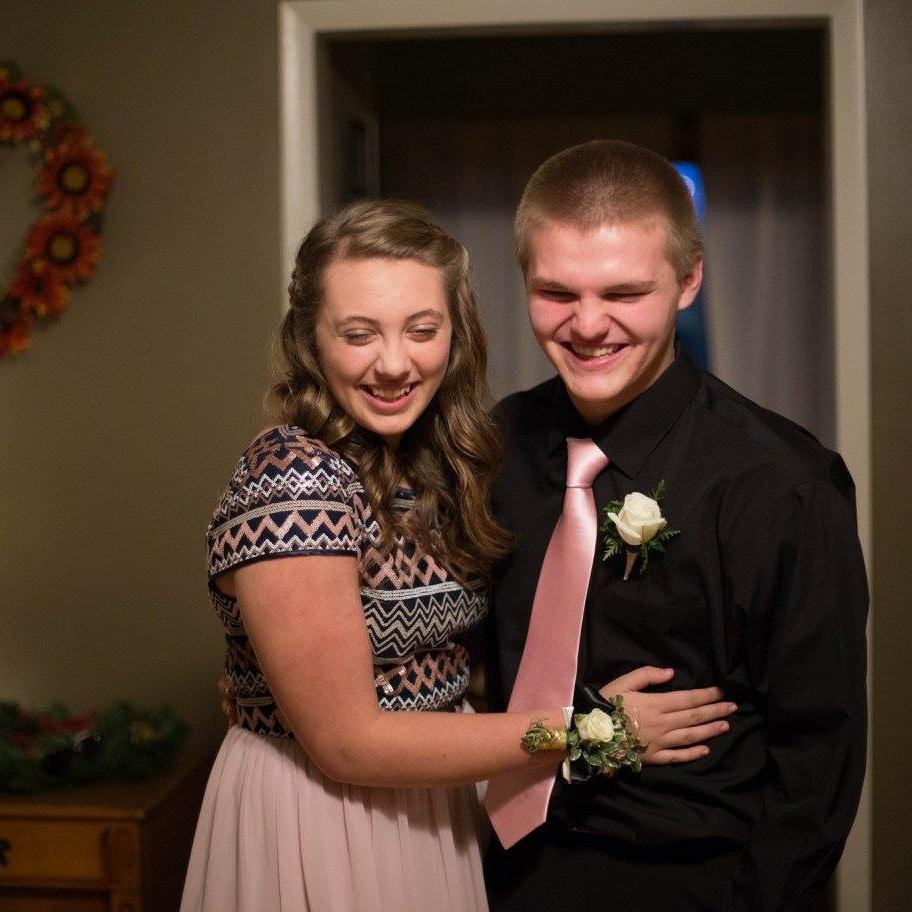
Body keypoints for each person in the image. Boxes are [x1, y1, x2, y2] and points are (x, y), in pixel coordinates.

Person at [179, 199, 736, 912]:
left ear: (456, 334)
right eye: (358, 334)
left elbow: (446, 664)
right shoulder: (292, 474)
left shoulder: (438, 463)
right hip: (320, 811)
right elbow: (347, 742)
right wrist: (590, 732)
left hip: (428, 808)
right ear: (310, 341)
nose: (393, 364)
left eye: (422, 330)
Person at [482, 140, 869, 911]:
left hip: (693, 881)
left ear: (689, 280)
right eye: (557, 292)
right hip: (486, 873)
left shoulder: (781, 484)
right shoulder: (491, 449)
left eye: (623, 292)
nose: (587, 325)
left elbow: (818, 756)